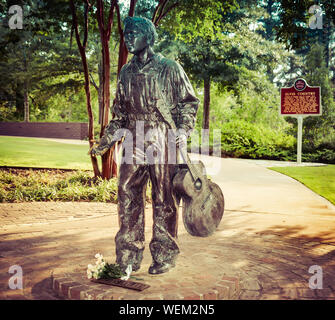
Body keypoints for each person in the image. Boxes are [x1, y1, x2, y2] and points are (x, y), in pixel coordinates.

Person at [91, 16, 199, 275]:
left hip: (162, 136)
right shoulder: (126, 72)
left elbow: (188, 102)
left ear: (148, 37)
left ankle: (164, 254)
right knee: (127, 194)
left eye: (134, 33)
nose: (128, 38)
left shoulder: (170, 68)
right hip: (132, 139)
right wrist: (106, 140)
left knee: (164, 197)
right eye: (126, 34)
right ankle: (128, 255)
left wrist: (183, 131)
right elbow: (119, 114)